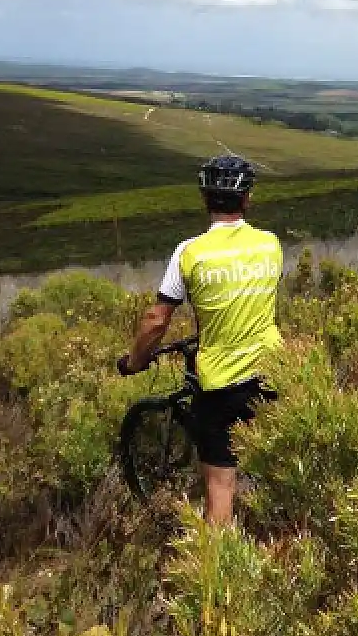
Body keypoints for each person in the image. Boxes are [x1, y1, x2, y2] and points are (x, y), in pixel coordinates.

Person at [117, 154, 283, 525]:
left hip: (222, 382)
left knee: (221, 487)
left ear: (205, 199)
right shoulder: (270, 244)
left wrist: (134, 362)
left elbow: (157, 320)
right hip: (274, 369)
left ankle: (216, 573)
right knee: (279, 466)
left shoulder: (189, 252)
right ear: (248, 199)